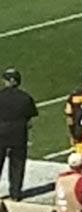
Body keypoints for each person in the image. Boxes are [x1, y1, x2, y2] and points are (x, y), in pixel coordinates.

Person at [0, 66, 34, 200]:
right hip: (19, 133)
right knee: (17, 164)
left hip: (1, 132)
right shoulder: (25, 98)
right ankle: (15, 193)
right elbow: (30, 118)